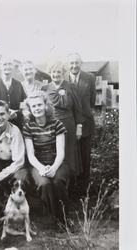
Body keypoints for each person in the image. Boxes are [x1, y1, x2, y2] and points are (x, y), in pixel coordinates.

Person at [22, 91, 69, 223]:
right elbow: (30, 155)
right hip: (38, 164)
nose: (37, 108)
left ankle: (63, 219)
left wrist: (53, 168)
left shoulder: (57, 124)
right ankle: (52, 217)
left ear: (45, 106)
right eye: (33, 106)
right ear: (30, 109)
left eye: (39, 105)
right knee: (45, 184)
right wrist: (42, 168)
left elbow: (61, 152)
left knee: (58, 181)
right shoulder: (28, 127)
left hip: (57, 162)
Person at [42, 62, 84, 180]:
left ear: (63, 73)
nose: (56, 74)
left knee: (69, 153)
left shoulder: (71, 86)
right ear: (50, 73)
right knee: (53, 152)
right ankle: (54, 181)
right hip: (51, 125)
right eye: (53, 72)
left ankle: (69, 186)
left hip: (68, 125)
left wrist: (79, 127)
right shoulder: (45, 88)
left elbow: (78, 108)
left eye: (59, 72)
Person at [67, 53, 96, 193]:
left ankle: (84, 191)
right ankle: (71, 188)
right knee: (71, 157)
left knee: (85, 157)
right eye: (71, 63)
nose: (74, 66)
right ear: (68, 64)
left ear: (81, 63)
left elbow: (92, 101)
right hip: (69, 124)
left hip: (86, 124)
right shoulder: (63, 78)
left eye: (76, 63)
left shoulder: (89, 78)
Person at [0, 57, 26, 130]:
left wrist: (16, 114)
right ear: (0, 66)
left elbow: (24, 105)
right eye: (5, 64)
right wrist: (2, 113)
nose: (7, 67)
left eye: (10, 64)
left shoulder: (18, 85)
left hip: (16, 126)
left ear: (13, 67)